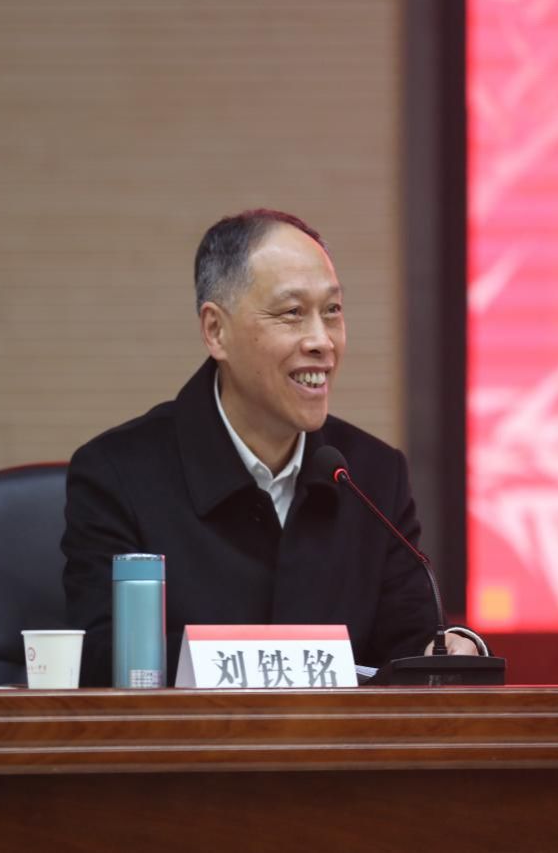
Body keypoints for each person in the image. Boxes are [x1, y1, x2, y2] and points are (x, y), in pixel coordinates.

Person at [62, 209, 478, 686]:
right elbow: (102, 658)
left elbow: (412, 642)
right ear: (216, 331)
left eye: (333, 311)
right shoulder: (119, 475)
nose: (322, 341)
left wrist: (448, 649)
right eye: (292, 313)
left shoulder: (372, 476)